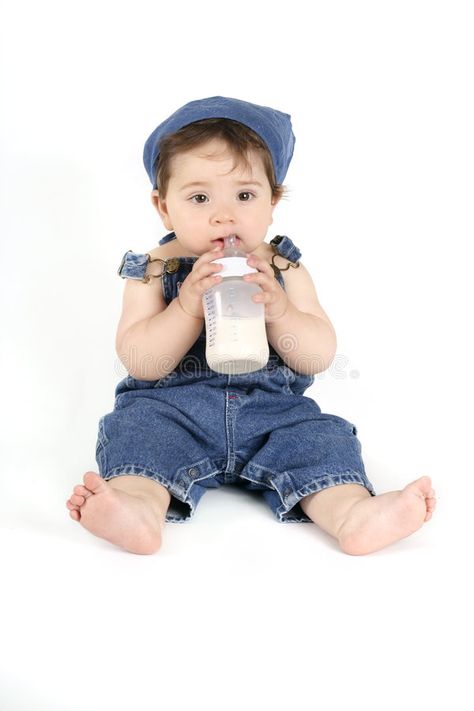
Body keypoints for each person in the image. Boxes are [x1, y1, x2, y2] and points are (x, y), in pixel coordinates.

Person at [66, 96, 436, 555]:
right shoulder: (154, 270)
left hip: (272, 413)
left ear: (273, 200)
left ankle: (352, 513)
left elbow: (317, 355)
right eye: (200, 198)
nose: (225, 216)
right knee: (138, 431)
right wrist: (186, 306)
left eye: (244, 195)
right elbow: (142, 363)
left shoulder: (282, 266)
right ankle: (138, 508)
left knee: (321, 438)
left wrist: (280, 310)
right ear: (164, 207)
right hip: (173, 409)